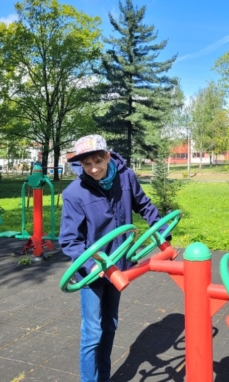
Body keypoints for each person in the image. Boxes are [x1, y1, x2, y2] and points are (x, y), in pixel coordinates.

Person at [59, 134, 169, 382]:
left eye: (98, 160)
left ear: (109, 156)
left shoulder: (126, 177)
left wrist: (162, 231)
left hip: (118, 264)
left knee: (110, 326)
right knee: (92, 331)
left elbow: (144, 205)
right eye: (87, 165)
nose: (94, 169)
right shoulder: (75, 193)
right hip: (93, 270)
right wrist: (90, 264)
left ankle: (104, 378)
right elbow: (69, 239)